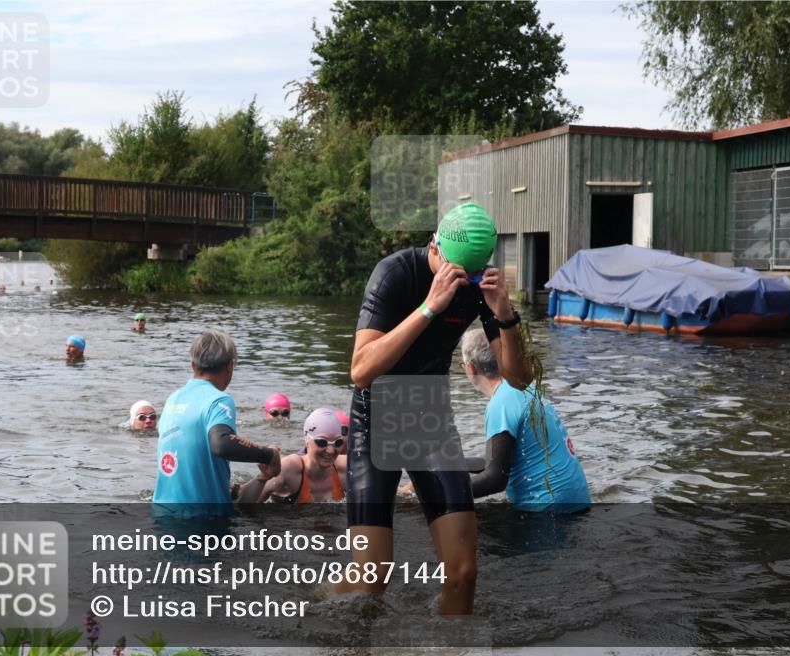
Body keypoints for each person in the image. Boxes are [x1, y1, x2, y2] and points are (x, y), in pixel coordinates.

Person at [340, 202, 532, 616]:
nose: (465, 283)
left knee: (464, 573)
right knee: (371, 578)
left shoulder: (478, 287)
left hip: (429, 414)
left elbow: (519, 379)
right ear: (437, 249)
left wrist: (505, 315)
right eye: (460, 274)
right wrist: (430, 307)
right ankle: (329, 610)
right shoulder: (394, 273)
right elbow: (360, 371)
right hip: (377, 416)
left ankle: (452, 653)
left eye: (475, 275)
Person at [459, 328, 590, 512]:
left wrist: (439, 494)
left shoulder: (501, 403)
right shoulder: (523, 387)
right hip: (577, 502)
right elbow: (501, 459)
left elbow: (495, 479)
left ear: (471, 369)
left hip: (548, 512)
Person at [153, 330, 281, 514]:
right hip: (202, 522)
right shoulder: (218, 400)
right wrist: (270, 456)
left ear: (192, 365)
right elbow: (221, 444)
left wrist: (260, 479)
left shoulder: (172, 399)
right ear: (230, 366)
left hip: (162, 514)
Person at [238, 408, 347, 504]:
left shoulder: (345, 468)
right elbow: (242, 506)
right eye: (322, 442)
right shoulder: (289, 469)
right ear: (307, 441)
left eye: (337, 443)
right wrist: (262, 478)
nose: (331, 451)